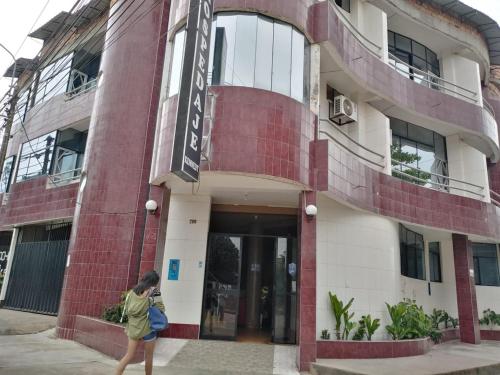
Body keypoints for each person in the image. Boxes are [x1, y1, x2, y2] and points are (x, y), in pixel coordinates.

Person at [116, 270, 165, 375]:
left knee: (129, 355)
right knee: (148, 357)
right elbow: (161, 309)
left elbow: (128, 310)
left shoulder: (132, 292)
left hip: (133, 328)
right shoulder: (154, 291)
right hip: (148, 329)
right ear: (154, 282)